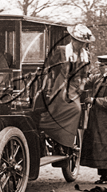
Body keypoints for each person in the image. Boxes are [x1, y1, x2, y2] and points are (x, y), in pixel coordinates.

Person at [39, 24, 95, 152]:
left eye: (83, 43)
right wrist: (47, 84)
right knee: (66, 109)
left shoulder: (85, 55)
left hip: (75, 86)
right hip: (61, 84)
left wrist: (82, 84)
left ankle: (65, 142)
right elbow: (49, 67)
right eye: (79, 42)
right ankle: (53, 134)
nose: (81, 45)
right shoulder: (62, 51)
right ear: (73, 40)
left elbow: (85, 74)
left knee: (76, 110)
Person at [80, 55, 107, 184]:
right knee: (99, 145)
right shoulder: (98, 78)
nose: (99, 68)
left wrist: (93, 100)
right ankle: (103, 175)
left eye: (101, 66)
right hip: (96, 118)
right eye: (99, 65)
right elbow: (85, 83)